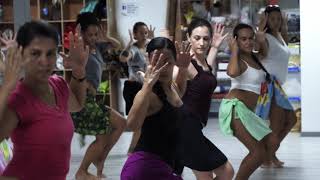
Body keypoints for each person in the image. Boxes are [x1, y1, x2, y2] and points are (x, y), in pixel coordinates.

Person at [0, 20, 88, 179]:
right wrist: (7, 86)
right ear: (21, 54)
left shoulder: (58, 85)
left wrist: (79, 71)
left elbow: (78, 105)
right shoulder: (18, 98)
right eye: (35, 53)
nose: (44, 61)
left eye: (50, 53)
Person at [121, 37, 191, 180]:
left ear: (174, 61)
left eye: (167, 62)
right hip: (144, 169)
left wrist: (183, 68)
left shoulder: (172, 87)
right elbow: (132, 124)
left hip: (166, 167)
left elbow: (179, 95)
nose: (163, 68)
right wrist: (146, 86)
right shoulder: (150, 95)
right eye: (157, 62)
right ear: (148, 62)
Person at [173, 18, 234, 179]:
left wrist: (214, 47)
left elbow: (205, 74)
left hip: (195, 127)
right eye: (197, 38)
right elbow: (172, 88)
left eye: (206, 39)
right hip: (185, 126)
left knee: (219, 173)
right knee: (224, 171)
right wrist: (180, 68)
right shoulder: (185, 63)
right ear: (188, 37)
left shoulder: (203, 62)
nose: (202, 43)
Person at [70, 12, 126, 179]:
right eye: (90, 34)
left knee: (121, 123)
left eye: (96, 34)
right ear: (82, 33)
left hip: (92, 100)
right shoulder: (80, 49)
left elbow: (117, 46)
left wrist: (104, 36)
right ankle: (82, 171)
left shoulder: (98, 48)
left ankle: (100, 158)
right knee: (102, 137)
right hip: (83, 100)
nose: (93, 38)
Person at [218, 23, 277, 180]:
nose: (249, 42)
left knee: (272, 142)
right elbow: (231, 72)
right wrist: (234, 51)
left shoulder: (254, 57)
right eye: (243, 39)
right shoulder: (238, 60)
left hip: (248, 112)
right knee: (258, 153)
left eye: (251, 38)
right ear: (236, 41)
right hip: (235, 109)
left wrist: (261, 40)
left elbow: (264, 52)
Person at [257, 4, 297, 167]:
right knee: (277, 124)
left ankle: (269, 153)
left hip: (278, 86)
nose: (276, 22)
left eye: (278, 19)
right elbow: (263, 53)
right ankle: (266, 157)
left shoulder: (279, 35)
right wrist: (259, 34)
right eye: (272, 19)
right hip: (269, 85)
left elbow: (284, 48)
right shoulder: (264, 37)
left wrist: (284, 26)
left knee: (291, 120)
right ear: (266, 19)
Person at [119, 22, 155, 155]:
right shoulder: (133, 49)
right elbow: (123, 58)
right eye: (141, 32)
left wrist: (154, 38)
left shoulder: (149, 47)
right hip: (133, 88)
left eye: (145, 33)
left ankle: (138, 148)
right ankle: (132, 150)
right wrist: (128, 43)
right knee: (139, 122)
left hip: (145, 87)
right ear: (135, 34)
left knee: (146, 120)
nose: (144, 35)